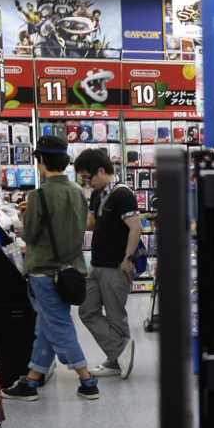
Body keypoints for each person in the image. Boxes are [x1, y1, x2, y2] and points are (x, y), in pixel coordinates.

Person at [1, 135, 97, 401]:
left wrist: (24, 216)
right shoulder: (78, 192)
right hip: (71, 272)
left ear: (41, 159)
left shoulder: (39, 195)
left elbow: (29, 235)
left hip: (43, 273)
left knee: (59, 326)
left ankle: (88, 381)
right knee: (46, 327)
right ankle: (31, 382)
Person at [74, 149, 141, 378]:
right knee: (86, 310)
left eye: (88, 177)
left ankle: (117, 362)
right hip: (96, 264)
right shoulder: (97, 193)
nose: (87, 182)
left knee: (115, 315)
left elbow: (135, 228)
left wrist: (128, 259)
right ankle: (119, 352)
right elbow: (92, 222)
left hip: (116, 266)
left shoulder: (122, 194)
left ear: (101, 170)